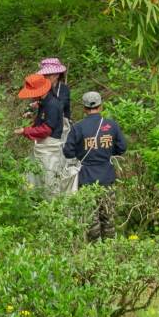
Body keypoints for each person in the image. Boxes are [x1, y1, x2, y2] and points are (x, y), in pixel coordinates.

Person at [63, 92, 126, 240]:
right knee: (108, 218)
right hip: (107, 177)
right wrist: (108, 153)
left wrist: (81, 154)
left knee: (91, 220)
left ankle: (93, 252)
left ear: (84, 108)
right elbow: (122, 147)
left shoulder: (78, 127)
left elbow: (67, 152)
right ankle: (110, 250)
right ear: (101, 106)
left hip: (86, 179)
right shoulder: (111, 125)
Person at [14, 74, 64, 195]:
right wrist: (29, 128)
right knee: (33, 176)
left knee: (49, 178)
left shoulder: (52, 104)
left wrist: (25, 131)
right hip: (42, 145)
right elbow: (40, 124)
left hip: (50, 147)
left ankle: (52, 207)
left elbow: (46, 129)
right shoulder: (44, 102)